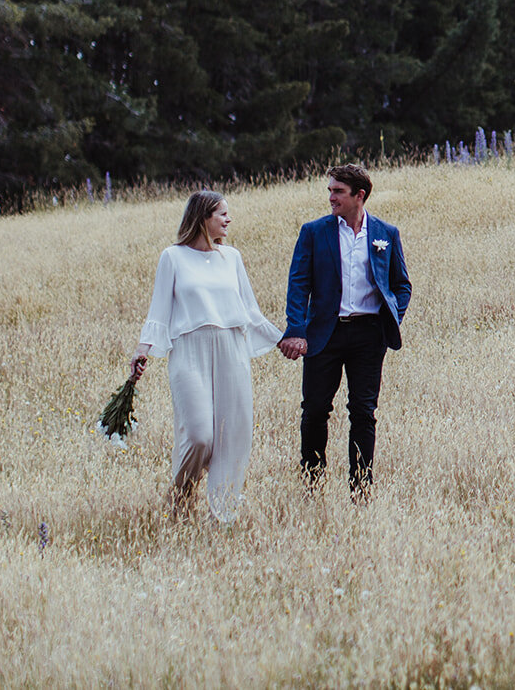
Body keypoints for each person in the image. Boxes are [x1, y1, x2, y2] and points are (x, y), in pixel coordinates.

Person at [129, 190, 284, 522]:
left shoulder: (233, 258)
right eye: (222, 214)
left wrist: (284, 340)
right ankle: (180, 501)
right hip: (189, 350)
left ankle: (222, 515)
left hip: (231, 349)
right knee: (199, 435)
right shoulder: (172, 257)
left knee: (231, 436)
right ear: (202, 217)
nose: (228, 219)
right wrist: (143, 349)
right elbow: (158, 310)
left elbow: (250, 312)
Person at [277, 164, 411, 496]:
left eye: (338, 191)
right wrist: (296, 329)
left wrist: (390, 317)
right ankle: (312, 484)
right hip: (325, 333)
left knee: (364, 412)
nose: (331, 197)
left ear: (359, 195)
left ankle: (361, 489)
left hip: (369, 336)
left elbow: (402, 285)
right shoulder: (314, 231)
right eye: (330, 190)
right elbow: (298, 285)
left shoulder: (385, 234)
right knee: (315, 410)